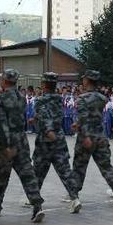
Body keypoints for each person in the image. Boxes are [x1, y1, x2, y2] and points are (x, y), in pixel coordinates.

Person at [0, 69, 45, 222]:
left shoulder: (0, 99)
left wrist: (8, 145)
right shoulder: (22, 98)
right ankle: (37, 205)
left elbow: (2, 124)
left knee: (2, 175)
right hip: (21, 139)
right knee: (27, 174)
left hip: (7, 141)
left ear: (5, 81)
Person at [72, 70, 113, 207]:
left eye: (84, 79)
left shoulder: (82, 99)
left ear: (87, 81)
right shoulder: (102, 98)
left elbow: (83, 119)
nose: (82, 81)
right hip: (101, 136)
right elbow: (94, 116)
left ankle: (74, 196)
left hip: (87, 136)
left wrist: (85, 135)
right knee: (106, 166)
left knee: (79, 167)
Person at [32, 72, 81, 213]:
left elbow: (44, 117)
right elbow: (52, 115)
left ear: (43, 84)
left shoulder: (40, 100)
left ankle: (35, 201)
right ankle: (75, 198)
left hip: (45, 141)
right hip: (59, 139)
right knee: (65, 171)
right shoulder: (59, 99)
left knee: (38, 172)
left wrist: (48, 131)